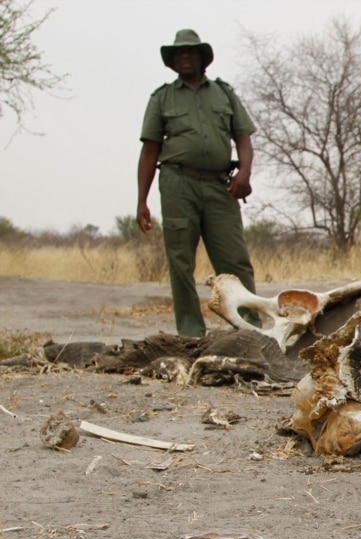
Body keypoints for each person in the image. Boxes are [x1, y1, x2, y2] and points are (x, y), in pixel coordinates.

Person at [136, 29, 260, 337]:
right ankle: (191, 334)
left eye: (190, 51)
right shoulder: (161, 98)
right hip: (178, 183)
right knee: (180, 262)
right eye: (179, 53)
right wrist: (142, 201)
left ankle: (250, 330)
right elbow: (150, 150)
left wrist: (244, 174)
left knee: (235, 261)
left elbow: (243, 137)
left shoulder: (224, 93)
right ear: (173, 60)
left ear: (203, 58)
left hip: (221, 187)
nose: (184, 56)